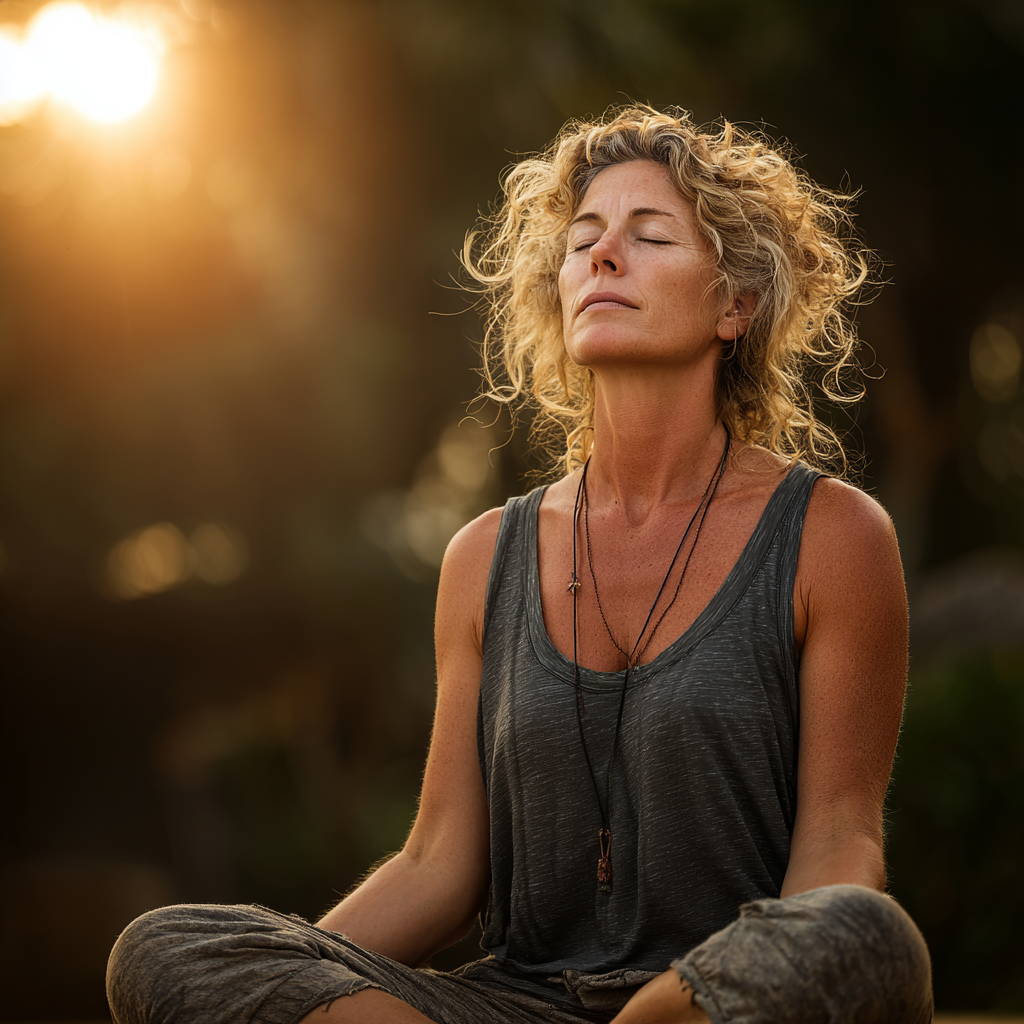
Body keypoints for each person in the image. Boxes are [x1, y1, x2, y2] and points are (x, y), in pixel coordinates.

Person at [106, 106, 933, 1024]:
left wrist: (759, 969)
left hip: (715, 1003)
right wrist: (299, 976)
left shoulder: (832, 535)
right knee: (167, 951)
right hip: (515, 1006)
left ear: (735, 306)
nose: (603, 255)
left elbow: (840, 841)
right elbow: (437, 865)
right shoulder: (482, 557)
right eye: (583, 240)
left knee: (867, 937)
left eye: (650, 236)